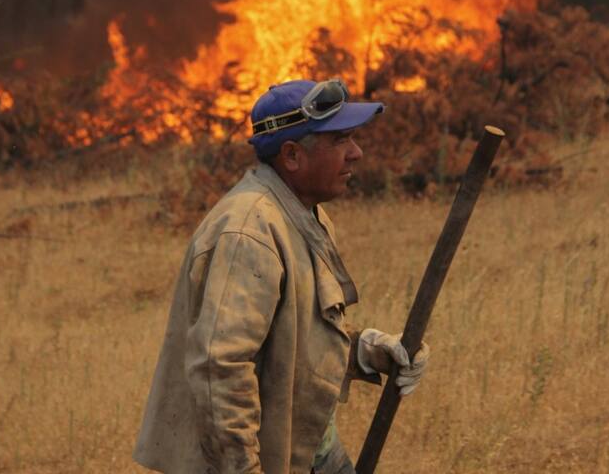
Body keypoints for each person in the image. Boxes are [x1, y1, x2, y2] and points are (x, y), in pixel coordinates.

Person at [133, 79, 430, 474]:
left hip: (309, 451)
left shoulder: (306, 214)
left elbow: (296, 336)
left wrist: (367, 352)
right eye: (340, 140)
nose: (356, 153)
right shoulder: (249, 231)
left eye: (354, 139)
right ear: (291, 156)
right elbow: (220, 370)